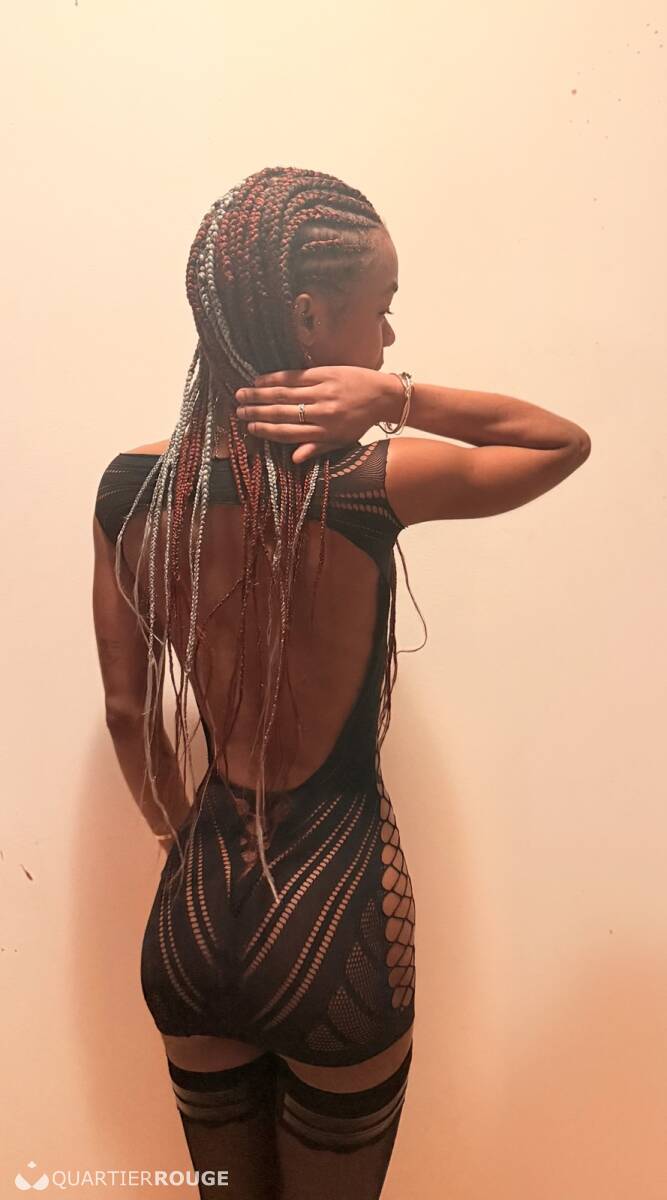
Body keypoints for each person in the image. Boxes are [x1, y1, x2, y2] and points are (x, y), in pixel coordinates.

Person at [92, 166, 591, 1200]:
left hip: (192, 915)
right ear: (312, 317)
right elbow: (559, 441)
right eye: (383, 308)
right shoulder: (372, 481)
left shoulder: (133, 487)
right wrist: (398, 401)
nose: (390, 336)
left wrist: (176, 843)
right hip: (339, 918)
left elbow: (129, 711)